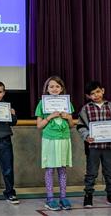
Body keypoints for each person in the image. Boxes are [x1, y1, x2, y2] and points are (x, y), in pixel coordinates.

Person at [35, 76, 74, 211]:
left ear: (61, 88)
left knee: (62, 169)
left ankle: (63, 197)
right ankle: (50, 198)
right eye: (51, 86)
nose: (54, 89)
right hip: (50, 140)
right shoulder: (42, 104)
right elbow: (39, 126)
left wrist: (69, 117)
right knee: (50, 169)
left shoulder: (66, 103)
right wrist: (50, 116)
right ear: (47, 89)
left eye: (57, 86)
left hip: (64, 139)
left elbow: (71, 125)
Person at [77, 81, 111, 208]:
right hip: (93, 148)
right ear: (88, 96)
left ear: (103, 90)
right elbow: (80, 126)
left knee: (110, 172)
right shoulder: (85, 109)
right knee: (91, 173)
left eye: (98, 91)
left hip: (109, 147)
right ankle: (88, 196)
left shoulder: (110, 106)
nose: (96, 95)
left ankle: (110, 194)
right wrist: (86, 136)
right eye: (92, 94)